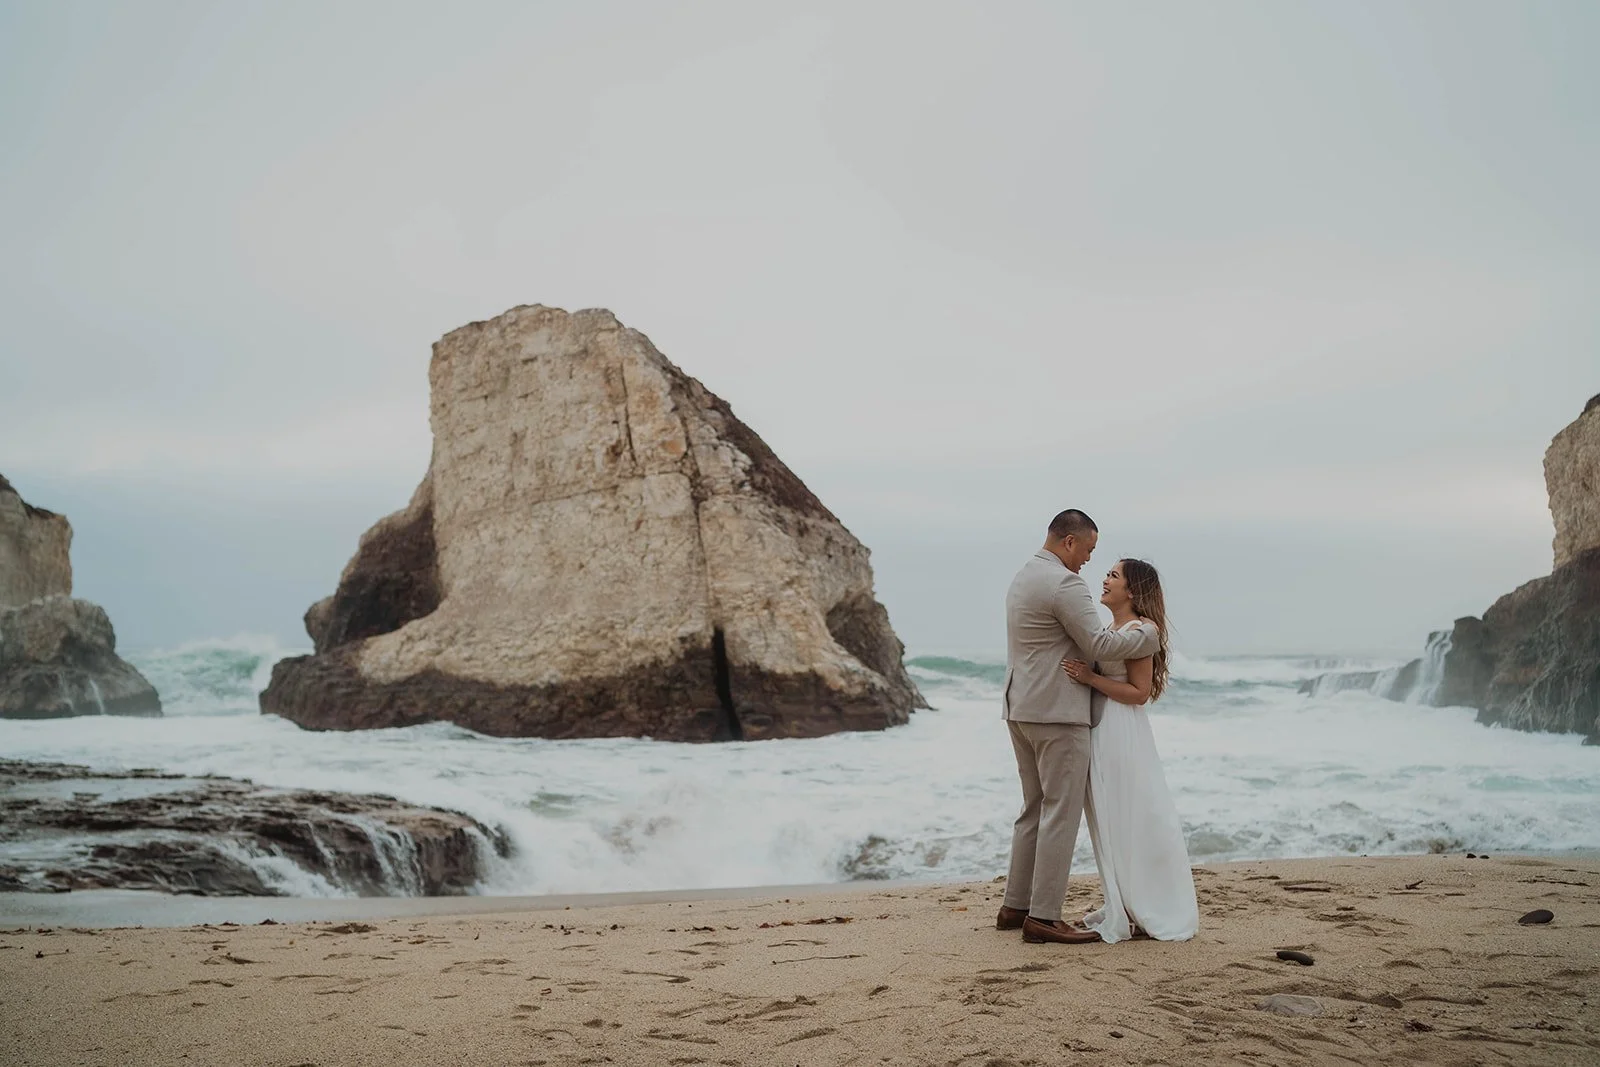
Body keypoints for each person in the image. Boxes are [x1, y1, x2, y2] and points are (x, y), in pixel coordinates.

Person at [998, 509, 1161, 945]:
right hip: (1057, 712)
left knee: (1032, 808)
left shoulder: (1024, 575)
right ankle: (1044, 917)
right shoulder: (1064, 584)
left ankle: (1015, 906)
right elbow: (1099, 644)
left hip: (1020, 707)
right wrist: (1150, 636)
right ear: (1069, 541)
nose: (1089, 561)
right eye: (1089, 550)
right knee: (1060, 811)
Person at [1061, 559, 1199, 943]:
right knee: (1111, 816)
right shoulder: (1110, 630)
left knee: (1132, 814)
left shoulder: (1142, 631)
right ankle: (1124, 900)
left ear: (1133, 591)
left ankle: (1150, 902)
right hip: (1104, 729)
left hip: (1123, 731)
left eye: (1114, 575)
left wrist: (1090, 678)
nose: (1104, 579)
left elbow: (1139, 694)